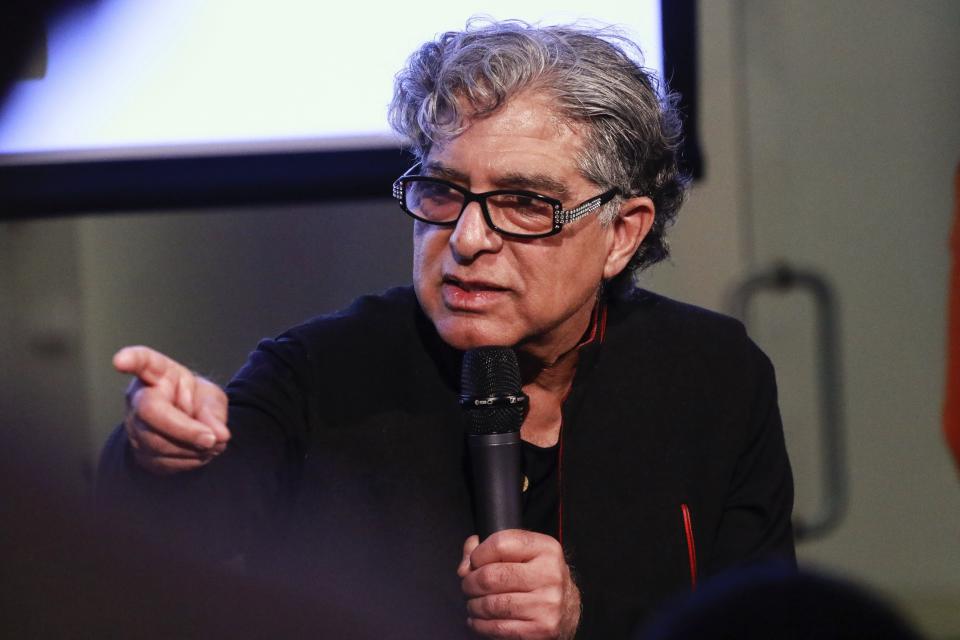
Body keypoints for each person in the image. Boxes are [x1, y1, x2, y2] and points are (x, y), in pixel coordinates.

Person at [97, 20, 795, 639]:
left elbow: (764, 623)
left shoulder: (714, 376)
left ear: (622, 232)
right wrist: (162, 456)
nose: (465, 239)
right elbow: (168, 540)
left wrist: (589, 619)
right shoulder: (318, 371)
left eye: (524, 202)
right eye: (443, 192)